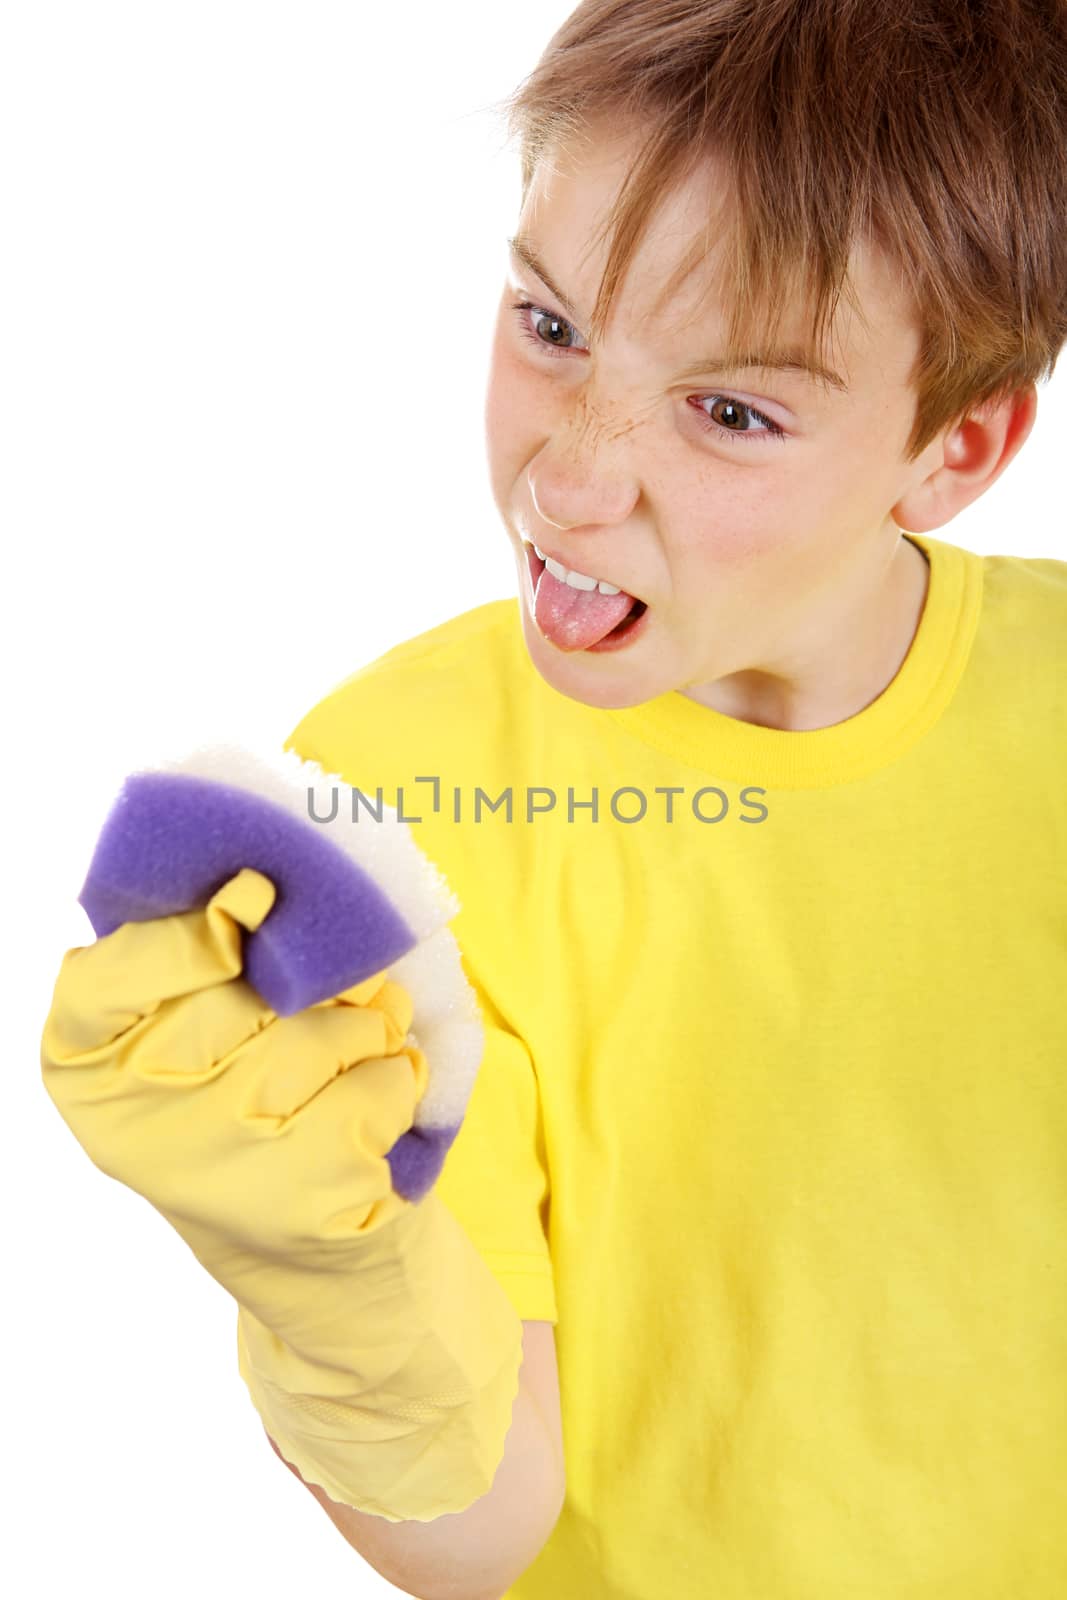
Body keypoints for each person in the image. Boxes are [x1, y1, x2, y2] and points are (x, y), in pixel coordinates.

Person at [43, 3, 1067, 1596]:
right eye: (550, 325)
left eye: (732, 412)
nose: (567, 477)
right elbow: (477, 1535)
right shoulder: (392, 800)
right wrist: (334, 1283)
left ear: (954, 448)